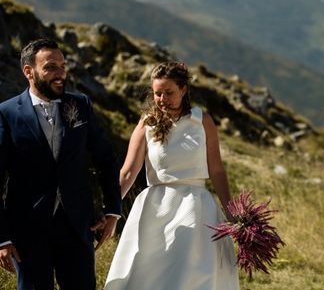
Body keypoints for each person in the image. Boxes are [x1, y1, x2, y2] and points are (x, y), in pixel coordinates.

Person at [104, 61, 239, 289]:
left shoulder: (202, 121)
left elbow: (216, 170)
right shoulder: (147, 124)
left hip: (196, 208)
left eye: (169, 92)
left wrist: (232, 212)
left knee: (191, 273)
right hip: (155, 209)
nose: (162, 99)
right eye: (157, 93)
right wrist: (110, 212)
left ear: (183, 89)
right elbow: (128, 172)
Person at [0, 38, 122, 289]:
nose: (60, 74)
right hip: (27, 230)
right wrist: (2, 238)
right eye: (51, 67)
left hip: (77, 225)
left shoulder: (80, 105)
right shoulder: (7, 112)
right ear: (28, 71)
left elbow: (106, 159)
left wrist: (113, 210)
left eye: (63, 66)